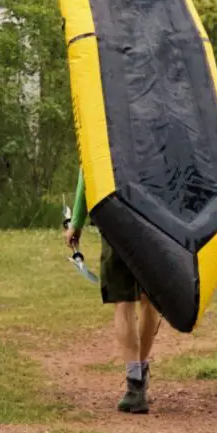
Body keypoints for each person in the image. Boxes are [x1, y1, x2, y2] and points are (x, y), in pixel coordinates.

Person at [65, 167, 161, 414]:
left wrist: (76, 223)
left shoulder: (104, 127)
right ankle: (139, 373)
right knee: (150, 300)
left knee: (124, 301)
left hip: (115, 217)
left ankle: (135, 383)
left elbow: (87, 168)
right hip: (157, 219)